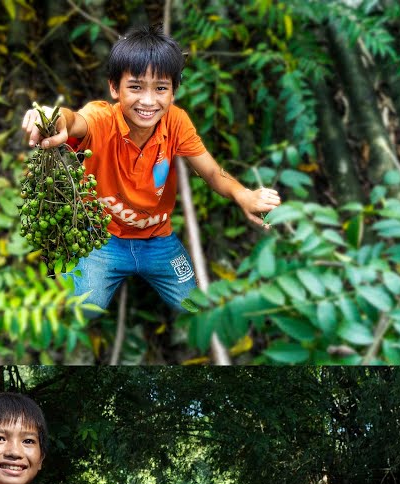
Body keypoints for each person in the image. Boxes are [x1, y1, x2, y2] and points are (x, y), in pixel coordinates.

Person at [19, 25, 281, 314]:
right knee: (84, 310)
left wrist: (243, 195)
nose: (148, 100)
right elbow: (74, 121)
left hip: (158, 239)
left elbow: (210, 171)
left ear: (173, 92)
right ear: (114, 88)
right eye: (135, 87)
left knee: (195, 308)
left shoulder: (176, 122)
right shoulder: (102, 119)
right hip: (101, 238)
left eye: (160, 88)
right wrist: (53, 118)